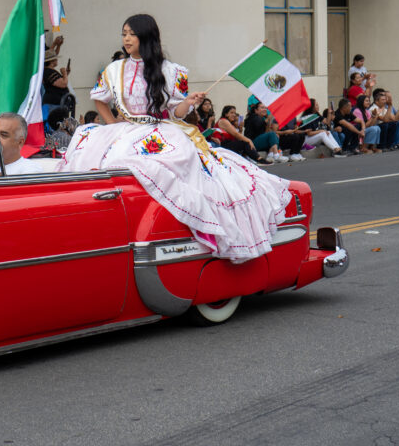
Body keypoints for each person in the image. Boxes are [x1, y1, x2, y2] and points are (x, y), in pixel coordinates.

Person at [58, 14, 291, 263]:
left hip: (160, 130)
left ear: (146, 37)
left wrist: (189, 103)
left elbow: (175, 113)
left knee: (171, 165)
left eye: (131, 34)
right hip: (124, 129)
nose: (126, 39)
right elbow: (99, 98)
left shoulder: (172, 71)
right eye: (123, 33)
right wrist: (113, 123)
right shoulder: (114, 70)